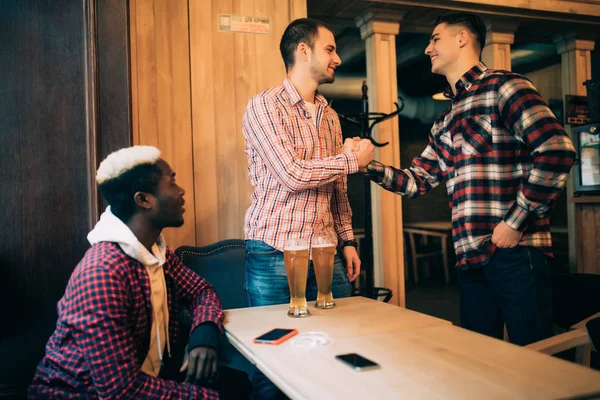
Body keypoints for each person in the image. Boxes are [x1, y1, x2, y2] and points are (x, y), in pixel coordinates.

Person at [361, 13, 576, 346]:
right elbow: (416, 181)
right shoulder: (445, 119)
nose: (427, 49)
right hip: (469, 258)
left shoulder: (505, 86)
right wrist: (363, 165)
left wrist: (515, 223)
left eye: (435, 39)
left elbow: (557, 150)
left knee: (536, 360)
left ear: (461, 38)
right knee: (480, 359)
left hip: (515, 252)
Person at [29, 146, 228, 399]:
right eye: (172, 182)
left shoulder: (154, 251)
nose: (181, 191)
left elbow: (202, 291)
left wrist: (204, 336)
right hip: (78, 395)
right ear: (143, 200)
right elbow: (121, 391)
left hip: (146, 383)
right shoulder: (103, 272)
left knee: (239, 382)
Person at [242, 18, 373, 399]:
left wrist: (347, 240)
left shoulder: (330, 116)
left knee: (339, 353)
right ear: (304, 51)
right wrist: (353, 159)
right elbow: (292, 174)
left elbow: (336, 189)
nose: (338, 58)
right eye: (330, 49)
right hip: (272, 251)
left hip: (326, 251)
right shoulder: (264, 106)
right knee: (272, 364)